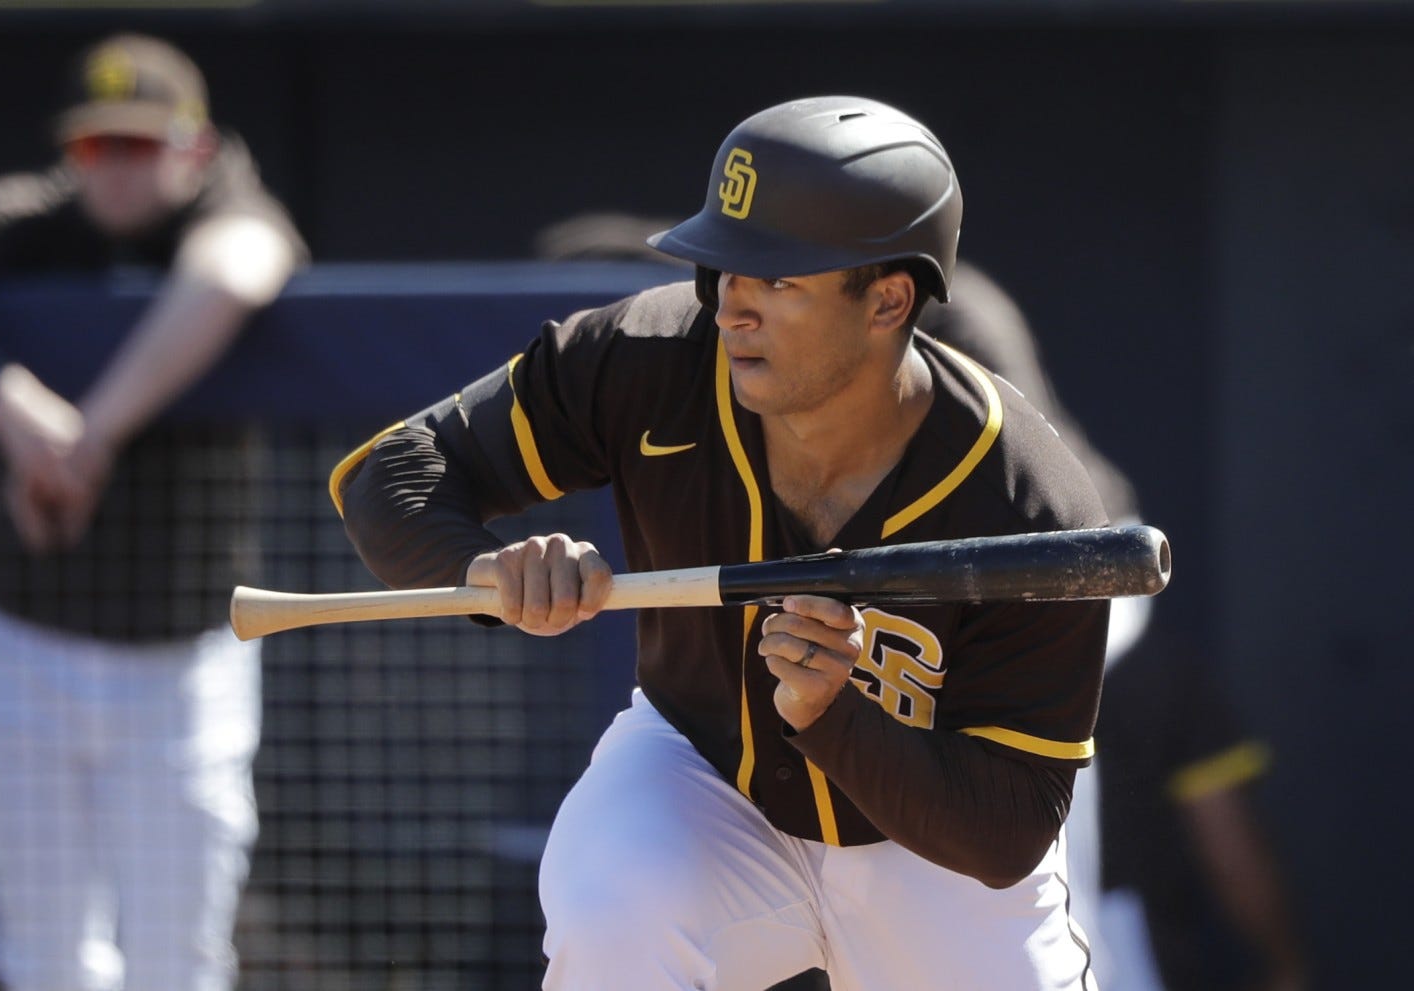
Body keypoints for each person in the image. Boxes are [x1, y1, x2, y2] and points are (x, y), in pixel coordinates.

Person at [334, 95, 1110, 990]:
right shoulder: (651, 358)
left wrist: (835, 717)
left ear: (889, 299)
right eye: (725, 266)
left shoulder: (1027, 501)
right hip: (703, 780)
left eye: (778, 279)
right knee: (613, 906)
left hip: (926, 841)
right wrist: (482, 570)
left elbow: (1007, 832)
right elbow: (392, 470)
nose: (733, 306)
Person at [0, 33, 306, 991]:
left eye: (144, 144)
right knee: (44, 955)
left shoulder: (230, 209)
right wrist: (14, 411)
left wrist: (87, 438)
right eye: (100, 147)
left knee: (176, 956)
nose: (120, 168)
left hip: (180, 665)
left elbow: (240, 268)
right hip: (26, 644)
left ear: (195, 145)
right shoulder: (33, 220)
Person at [923, 262, 1308, 991]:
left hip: (1109, 955)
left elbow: (1227, 842)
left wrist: (1285, 971)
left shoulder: (1137, 662)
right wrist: (1285, 969)